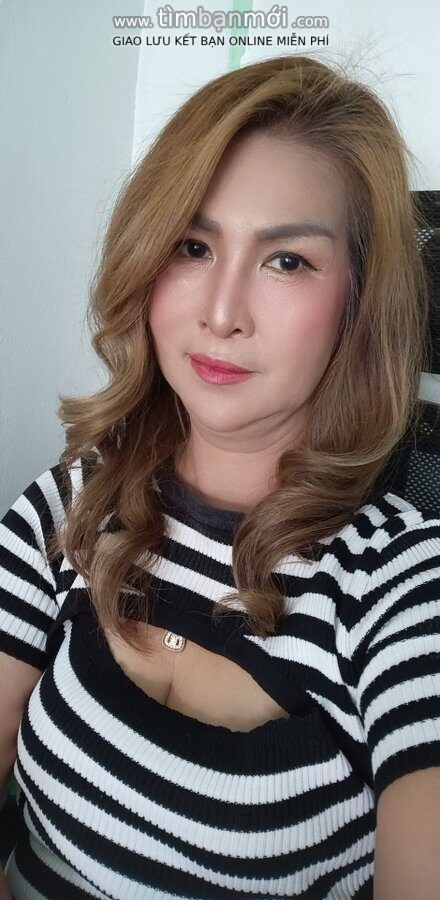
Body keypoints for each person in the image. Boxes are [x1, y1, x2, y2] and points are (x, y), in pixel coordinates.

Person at [1, 53, 440, 899]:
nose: (221, 312)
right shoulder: (72, 502)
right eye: (193, 246)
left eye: (287, 261)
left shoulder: (404, 588)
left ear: (359, 303)